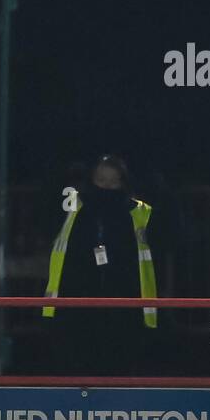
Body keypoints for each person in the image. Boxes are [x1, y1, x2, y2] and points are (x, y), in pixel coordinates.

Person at [42, 155, 158, 376]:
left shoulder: (140, 212)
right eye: (101, 180)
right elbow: (45, 211)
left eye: (113, 181)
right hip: (77, 301)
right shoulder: (73, 208)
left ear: (124, 183)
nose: (107, 187)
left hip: (125, 302)